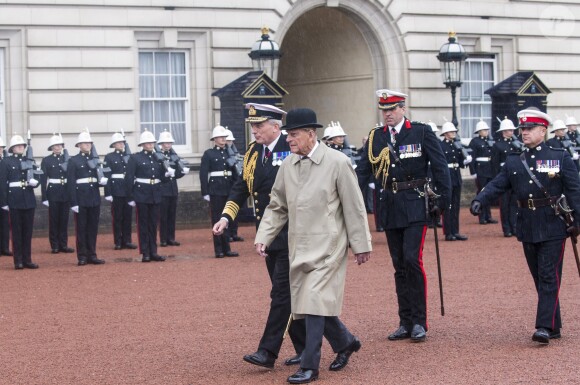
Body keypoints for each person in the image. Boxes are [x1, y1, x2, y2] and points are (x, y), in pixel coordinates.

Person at [255, 107, 372, 384]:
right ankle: (345, 342)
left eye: (294, 135)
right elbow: (276, 206)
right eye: (288, 135)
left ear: (311, 134)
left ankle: (310, 365)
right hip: (299, 246)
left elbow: (354, 207)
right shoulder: (288, 165)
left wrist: (361, 244)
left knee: (315, 302)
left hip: (329, 246)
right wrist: (264, 235)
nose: (289, 140)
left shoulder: (338, 162)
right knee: (304, 304)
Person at [470, 109, 580, 344]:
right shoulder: (514, 159)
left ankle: (542, 327)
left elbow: (574, 191)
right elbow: (499, 183)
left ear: (543, 130)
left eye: (530, 128)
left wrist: (577, 222)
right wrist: (480, 199)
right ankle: (554, 324)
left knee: (549, 275)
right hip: (527, 225)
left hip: (553, 224)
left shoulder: (560, 156)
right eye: (523, 128)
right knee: (540, 277)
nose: (525, 132)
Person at [213, 103, 305, 370]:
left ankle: (267, 351)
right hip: (266, 233)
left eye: (259, 125)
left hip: (291, 231)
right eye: (252, 126)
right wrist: (226, 216)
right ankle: (320, 345)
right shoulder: (254, 152)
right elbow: (241, 187)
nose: (254, 130)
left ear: (276, 126)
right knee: (289, 295)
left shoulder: (292, 147)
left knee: (281, 294)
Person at [356, 89, 451, 342]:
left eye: (392, 109)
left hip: (415, 203)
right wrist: (351, 200)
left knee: (412, 260)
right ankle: (405, 321)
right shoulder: (376, 137)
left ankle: (420, 321)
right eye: (384, 110)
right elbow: (363, 172)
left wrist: (442, 202)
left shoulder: (420, 132)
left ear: (402, 109)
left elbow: (441, 168)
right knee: (398, 265)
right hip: (389, 204)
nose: (387, 114)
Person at [125, 130, 168, 263]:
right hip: (141, 194)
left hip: (155, 193)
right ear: (142, 144)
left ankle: (153, 251)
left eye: (152, 142)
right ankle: (145, 252)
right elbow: (129, 178)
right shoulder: (135, 158)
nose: (150, 144)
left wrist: (167, 175)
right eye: (147, 142)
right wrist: (130, 197)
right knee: (143, 224)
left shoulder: (158, 157)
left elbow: (161, 177)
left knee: (153, 224)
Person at [0, 135, 40, 269]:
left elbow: (37, 176)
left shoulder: (29, 160)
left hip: (28, 198)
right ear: (12, 148)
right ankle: (18, 261)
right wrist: (4, 202)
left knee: (27, 232)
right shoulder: (6, 162)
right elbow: (3, 184)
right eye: (18, 146)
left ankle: (27, 259)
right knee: (16, 231)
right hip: (14, 199)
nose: (21, 147)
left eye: (22, 145)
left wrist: (36, 183)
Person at [67, 130, 107, 266]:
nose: (88, 145)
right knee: (81, 228)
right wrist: (73, 202)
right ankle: (82, 256)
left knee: (93, 228)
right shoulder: (73, 161)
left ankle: (92, 254)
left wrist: (101, 182)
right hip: (81, 198)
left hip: (93, 197)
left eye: (89, 142)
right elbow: (71, 183)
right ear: (79, 145)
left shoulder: (95, 160)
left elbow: (96, 177)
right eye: (85, 143)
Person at [199, 125, 238, 258]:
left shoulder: (230, 153)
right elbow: (203, 174)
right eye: (221, 137)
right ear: (215, 139)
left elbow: (235, 173)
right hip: (215, 190)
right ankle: (219, 249)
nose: (223, 139)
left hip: (228, 188)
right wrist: (205, 192)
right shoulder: (209, 153)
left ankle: (227, 248)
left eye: (225, 137)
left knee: (226, 219)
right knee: (217, 219)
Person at [40, 134, 75, 254]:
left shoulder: (68, 159)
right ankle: (54, 245)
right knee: (54, 220)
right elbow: (43, 179)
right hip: (53, 192)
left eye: (59, 145)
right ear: (51, 147)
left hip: (65, 191)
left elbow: (71, 177)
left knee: (64, 219)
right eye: (55, 145)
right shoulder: (47, 160)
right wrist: (44, 196)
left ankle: (63, 244)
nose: (57, 147)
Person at [103, 132, 137, 250]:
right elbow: (106, 175)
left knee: (128, 217)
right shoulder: (109, 157)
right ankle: (118, 241)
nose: (121, 144)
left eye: (122, 142)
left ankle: (127, 240)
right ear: (114, 145)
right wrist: (108, 192)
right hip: (116, 189)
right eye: (118, 142)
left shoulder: (130, 156)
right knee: (117, 217)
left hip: (128, 189)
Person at [439, 121, 470, 241]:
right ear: (446, 133)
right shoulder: (441, 146)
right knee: (448, 205)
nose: (454, 133)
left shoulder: (457, 145)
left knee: (456, 205)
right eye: (451, 132)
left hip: (456, 176)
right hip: (447, 176)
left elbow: (460, 163)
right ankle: (448, 232)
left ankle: (455, 231)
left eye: (454, 131)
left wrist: (465, 162)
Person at [491, 117, 521, 237]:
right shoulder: (498, 145)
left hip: (515, 177)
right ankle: (506, 228)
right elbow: (494, 165)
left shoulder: (516, 145)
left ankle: (514, 226)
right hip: (504, 177)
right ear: (503, 132)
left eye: (512, 130)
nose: (511, 132)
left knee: (514, 204)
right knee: (504, 204)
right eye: (509, 130)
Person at [157, 131, 186, 247]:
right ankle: (163, 239)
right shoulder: (157, 156)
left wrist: (182, 172)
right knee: (163, 216)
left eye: (170, 143)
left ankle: (171, 238)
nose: (168, 145)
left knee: (172, 215)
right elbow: (156, 173)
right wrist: (165, 176)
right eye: (166, 143)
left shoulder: (174, 155)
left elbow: (177, 173)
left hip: (173, 188)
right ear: (162, 143)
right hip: (163, 189)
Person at [468, 120, 498, 225]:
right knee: (481, 192)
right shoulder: (475, 142)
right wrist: (473, 171)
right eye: (484, 130)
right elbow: (472, 158)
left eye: (487, 130)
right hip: (481, 170)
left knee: (488, 193)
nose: (486, 132)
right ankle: (481, 216)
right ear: (479, 131)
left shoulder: (490, 141)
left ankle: (488, 216)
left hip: (489, 169)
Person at [223, 129, 244, 243]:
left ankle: (234, 232)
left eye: (230, 141)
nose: (229, 143)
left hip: (236, 184)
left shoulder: (234, 152)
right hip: (227, 185)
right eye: (227, 141)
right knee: (227, 210)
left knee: (236, 210)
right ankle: (228, 234)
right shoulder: (224, 154)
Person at [0, 137, 12, 257]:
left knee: (5, 223)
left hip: (4, 195)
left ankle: (4, 247)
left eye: (1, 148)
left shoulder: (6, 161)